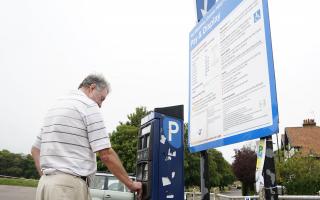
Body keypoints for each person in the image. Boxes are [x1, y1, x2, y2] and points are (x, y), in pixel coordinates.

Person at [31, 74, 142, 200]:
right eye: (102, 99)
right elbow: (105, 154)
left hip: (45, 185)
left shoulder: (56, 106)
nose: (100, 105)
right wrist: (131, 184)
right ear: (92, 88)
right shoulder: (88, 106)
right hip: (68, 187)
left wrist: (50, 178)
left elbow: (35, 149)